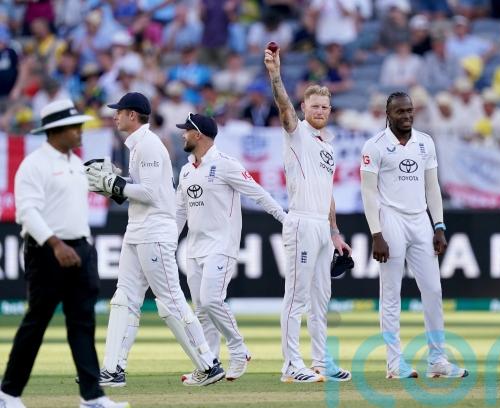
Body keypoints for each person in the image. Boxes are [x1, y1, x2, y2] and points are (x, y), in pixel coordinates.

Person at [85, 92, 223, 387]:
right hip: (138, 228)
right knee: (124, 299)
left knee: (170, 300)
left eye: (119, 112)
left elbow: (149, 193)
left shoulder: (148, 145)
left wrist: (113, 183)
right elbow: (140, 191)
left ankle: (208, 364)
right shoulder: (138, 145)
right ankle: (113, 369)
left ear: (132, 115)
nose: (115, 116)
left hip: (154, 231)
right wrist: (114, 187)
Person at [0, 99, 128, 408]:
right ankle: (8, 394)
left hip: (80, 249)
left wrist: (114, 182)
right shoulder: (34, 164)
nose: (80, 131)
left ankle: (92, 397)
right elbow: (27, 212)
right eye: (74, 127)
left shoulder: (75, 164)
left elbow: (90, 197)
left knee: (83, 324)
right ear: (56, 131)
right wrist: (56, 244)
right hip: (47, 251)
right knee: (36, 323)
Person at [359, 92, 468, 379]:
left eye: (409, 111)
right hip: (391, 219)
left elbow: (432, 187)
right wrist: (376, 233)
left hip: (421, 220)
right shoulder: (375, 146)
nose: (407, 116)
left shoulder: (425, 142)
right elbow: (368, 192)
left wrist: (439, 226)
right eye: (400, 112)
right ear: (388, 114)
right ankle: (394, 363)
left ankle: (438, 360)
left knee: (433, 290)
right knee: (391, 293)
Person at [174, 113, 287, 382]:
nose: (182, 135)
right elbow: (179, 212)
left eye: (186, 131)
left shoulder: (226, 164)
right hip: (194, 248)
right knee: (201, 310)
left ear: (198, 134)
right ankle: (209, 365)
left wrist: (285, 219)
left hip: (221, 245)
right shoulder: (186, 170)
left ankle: (238, 349)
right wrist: (168, 242)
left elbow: (257, 193)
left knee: (211, 300)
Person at [264, 44, 352, 383]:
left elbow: (328, 193)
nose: (320, 111)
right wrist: (275, 75)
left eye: (325, 106)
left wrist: (335, 232)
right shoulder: (297, 133)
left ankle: (321, 361)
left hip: (322, 228)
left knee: (320, 300)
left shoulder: (327, 145)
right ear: (304, 107)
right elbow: (283, 106)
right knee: (297, 297)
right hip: (300, 221)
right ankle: (290, 365)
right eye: (314, 105)